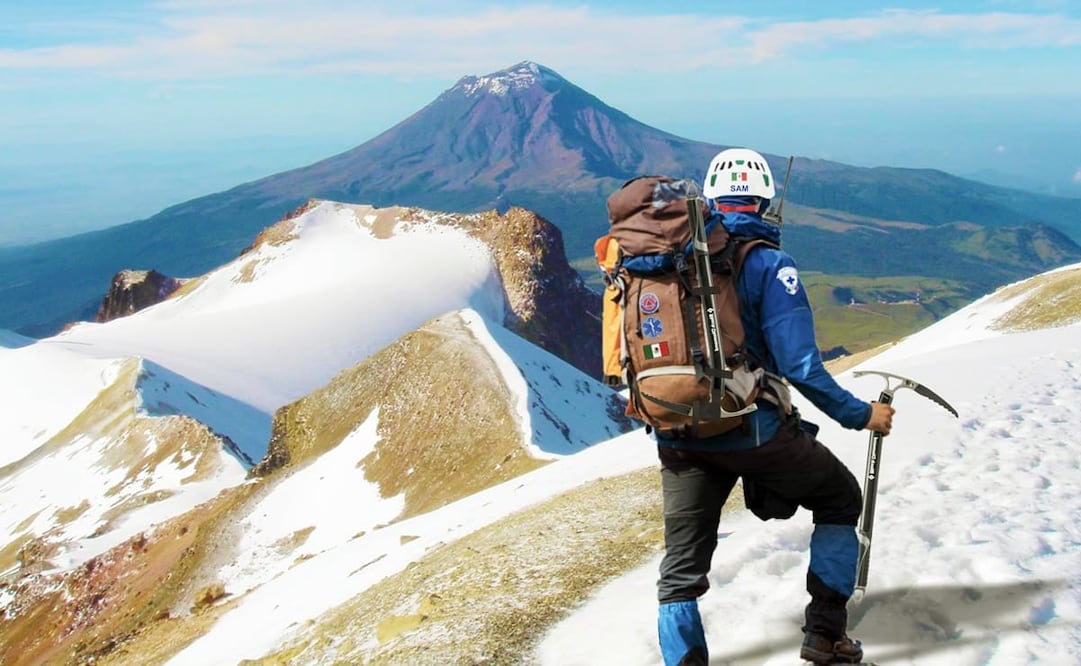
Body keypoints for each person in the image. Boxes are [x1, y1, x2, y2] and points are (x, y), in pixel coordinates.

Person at [655, 148, 896, 666]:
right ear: (764, 199)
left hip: (678, 432)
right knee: (838, 499)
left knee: (680, 570)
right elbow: (802, 366)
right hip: (754, 431)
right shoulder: (769, 262)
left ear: (711, 197)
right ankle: (826, 637)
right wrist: (861, 415)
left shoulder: (666, 257)